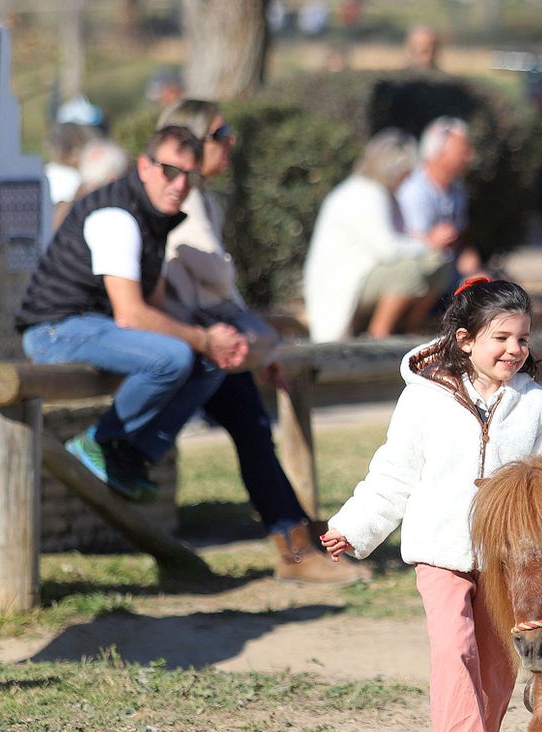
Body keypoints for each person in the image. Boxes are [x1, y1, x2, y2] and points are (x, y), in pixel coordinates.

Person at [320, 279, 542, 732]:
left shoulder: (541, 408)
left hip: (508, 560)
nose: (514, 350)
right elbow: (393, 473)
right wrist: (355, 525)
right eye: (501, 337)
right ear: (464, 340)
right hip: (440, 548)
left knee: (501, 662)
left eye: (523, 339)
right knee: (453, 649)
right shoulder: (421, 401)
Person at [156, 99, 365, 584]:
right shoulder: (178, 202)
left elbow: (219, 293)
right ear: (188, 141)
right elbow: (202, 290)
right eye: (219, 132)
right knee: (249, 427)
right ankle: (295, 544)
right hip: (187, 345)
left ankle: (297, 536)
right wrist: (257, 346)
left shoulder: (201, 200)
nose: (230, 141)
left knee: (251, 427)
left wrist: (260, 346)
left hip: (210, 344)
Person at [16, 126, 248, 499]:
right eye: (170, 171)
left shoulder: (155, 216)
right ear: (144, 166)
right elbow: (132, 315)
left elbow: (153, 305)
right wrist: (203, 338)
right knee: (174, 355)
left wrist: (213, 341)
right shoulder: (117, 215)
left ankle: (131, 454)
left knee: (207, 361)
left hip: (97, 328)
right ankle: (98, 441)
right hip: (55, 331)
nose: (179, 185)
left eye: (190, 176)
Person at [303, 130, 456, 342]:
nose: (410, 178)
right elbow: (388, 250)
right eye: (406, 172)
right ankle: (380, 333)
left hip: (368, 276)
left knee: (439, 264)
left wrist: (426, 245)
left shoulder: (384, 194)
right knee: (409, 271)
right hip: (345, 283)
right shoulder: (364, 194)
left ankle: (409, 328)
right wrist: (428, 243)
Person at [395, 116, 479, 278]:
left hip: (448, 274)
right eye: (463, 151)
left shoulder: (457, 190)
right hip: (421, 277)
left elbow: (459, 242)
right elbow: (410, 244)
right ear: (440, 153)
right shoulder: (413, 189)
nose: (469, 156)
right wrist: (429, 241)